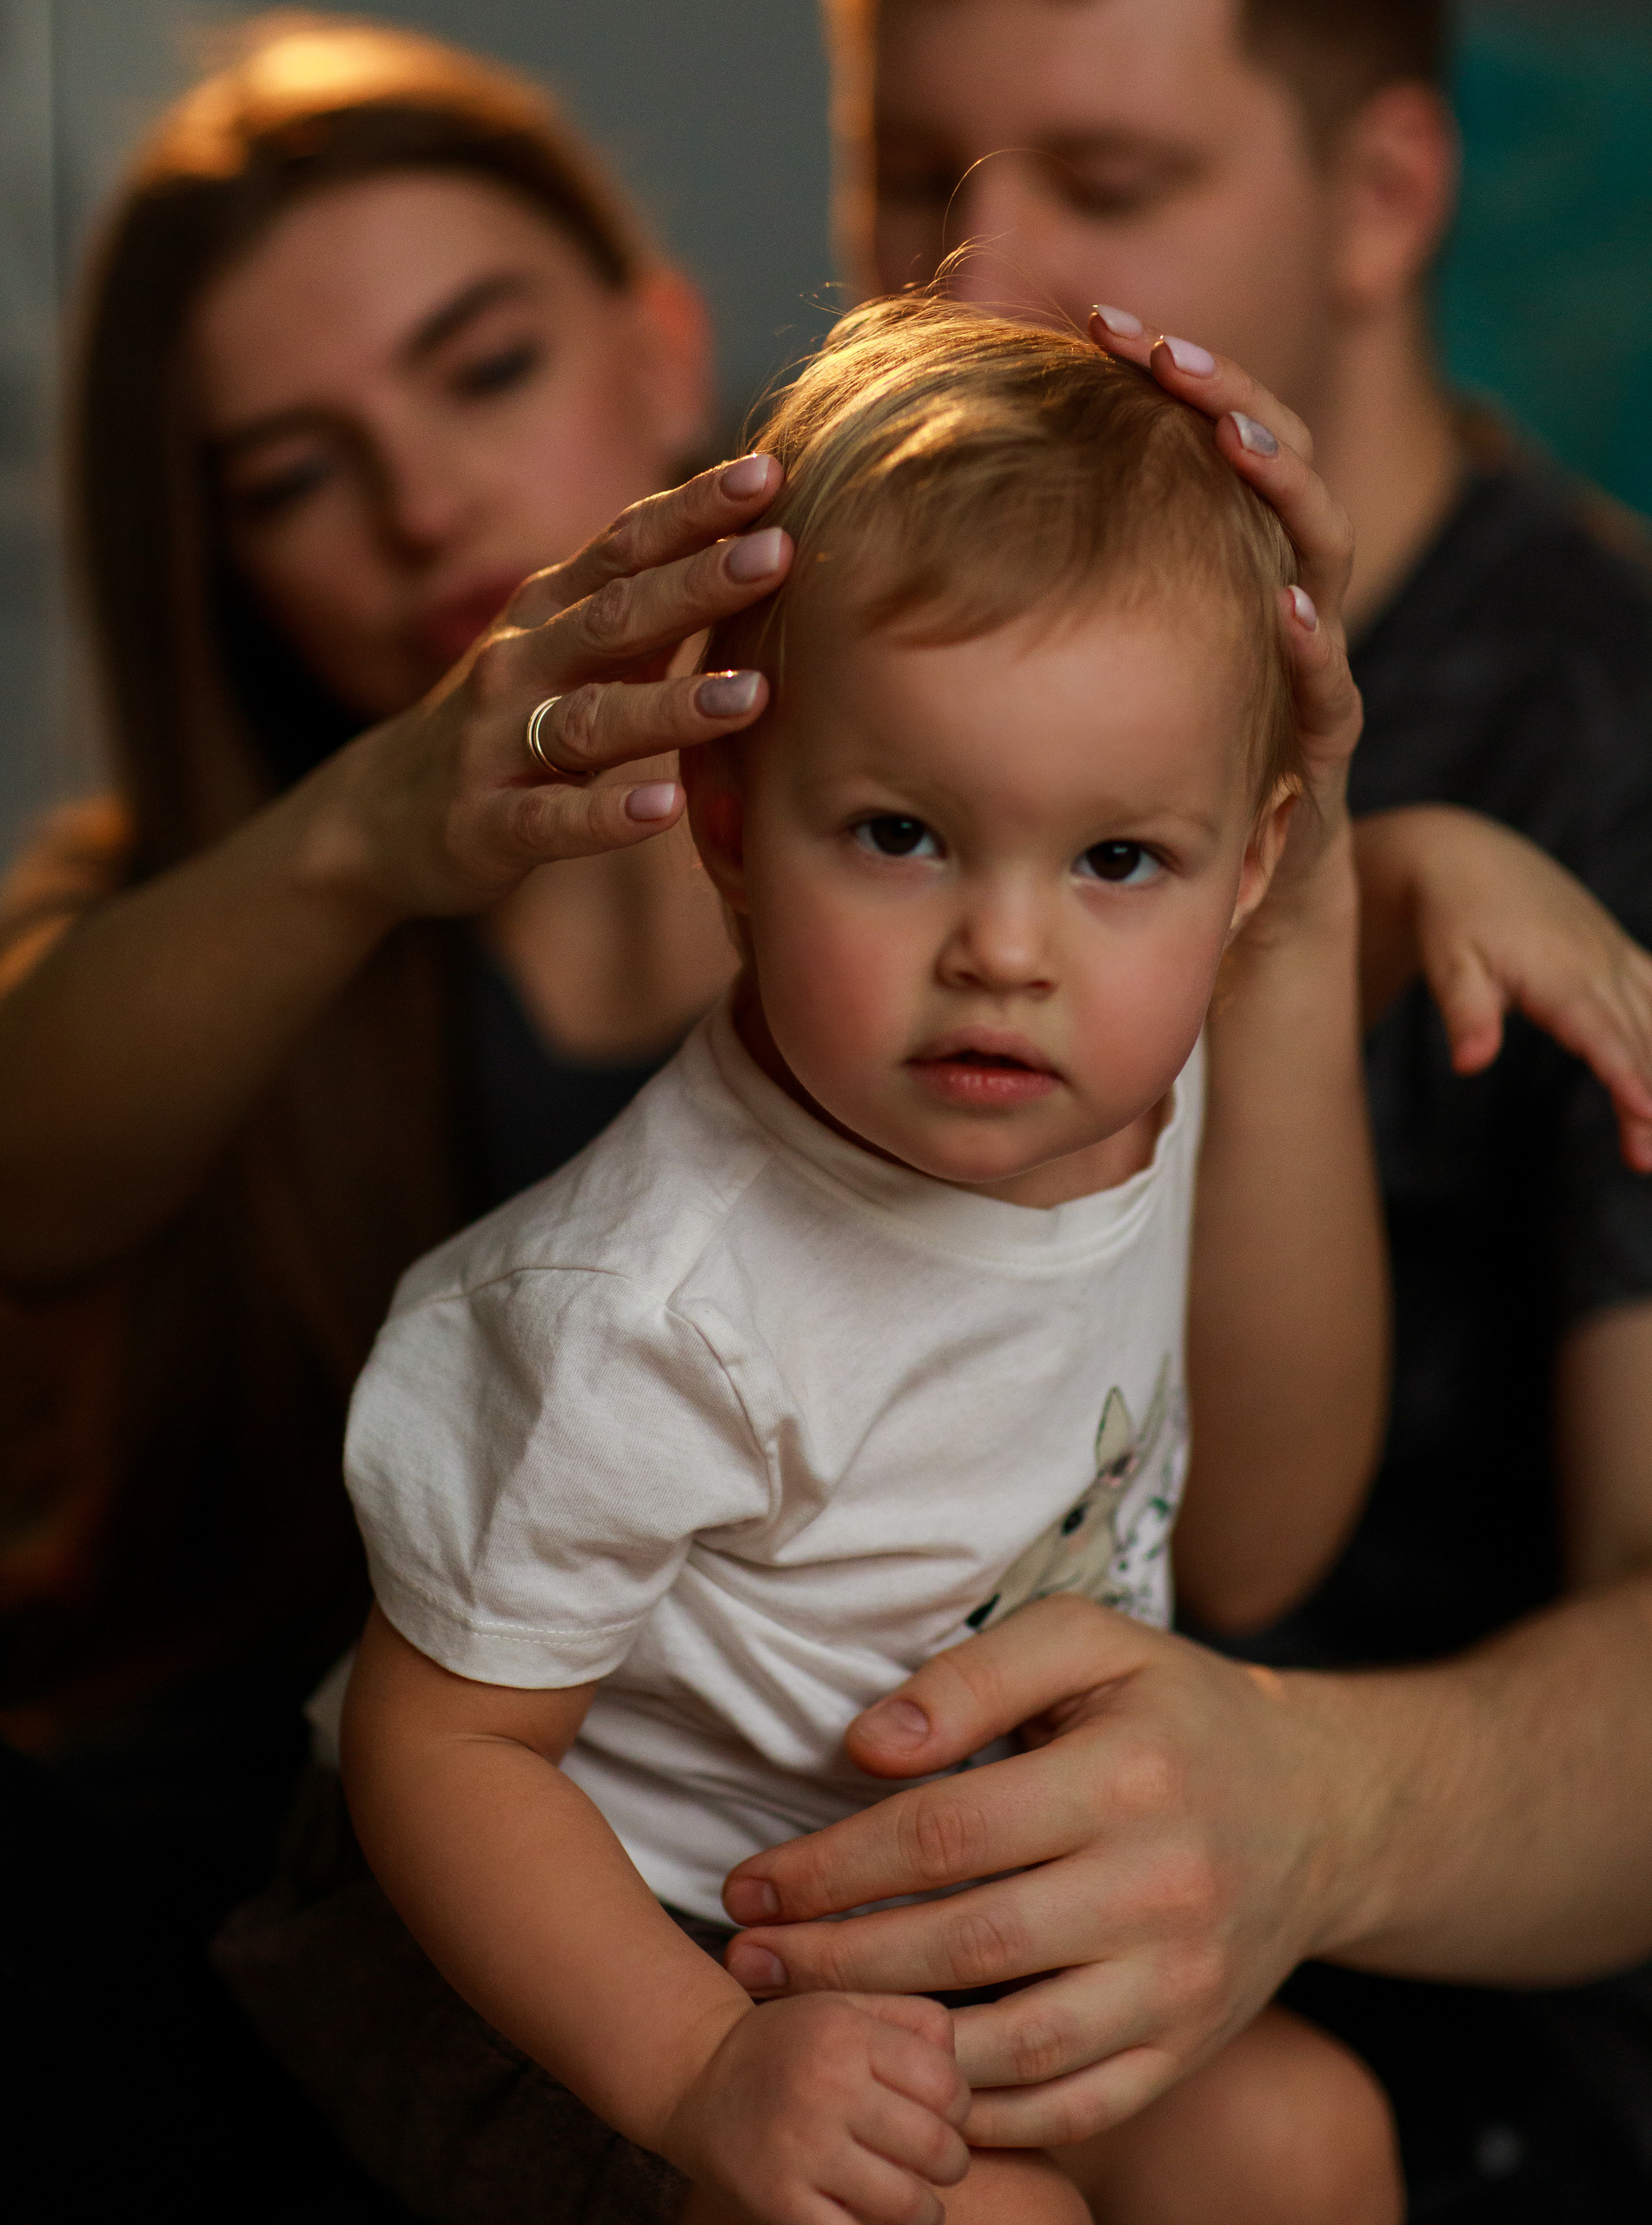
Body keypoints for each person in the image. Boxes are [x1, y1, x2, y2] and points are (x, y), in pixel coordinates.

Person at [690, 3, 1652, 2211]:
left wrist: (1318, 1808)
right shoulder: (834, 591)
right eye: (908, 183)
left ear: (1387, 197)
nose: (981, 289)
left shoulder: (1603, 731)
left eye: (1109, 190)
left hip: (1426, 2001)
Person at [336, 293, 1398, 2225]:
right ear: (731, 822)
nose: (1008, 948)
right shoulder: (640, 1309)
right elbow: (440, 1752)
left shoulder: (1135, 1097)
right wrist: (699, 2065)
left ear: (1249, 868)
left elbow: (1259, 1521)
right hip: (581, 1945)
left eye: (1113, 862)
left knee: (1303, 2137)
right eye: (902, 833)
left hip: (926, 1923)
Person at [0, 17, 794, 2212]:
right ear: (216, 559)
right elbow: (18, 1176)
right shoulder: (221, 905)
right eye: (292, 472)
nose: (421, 502)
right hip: (261, 1886)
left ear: (657, 351)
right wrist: (361, 834)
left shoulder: (942, 851)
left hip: (768, 1900)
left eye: (481, 367)